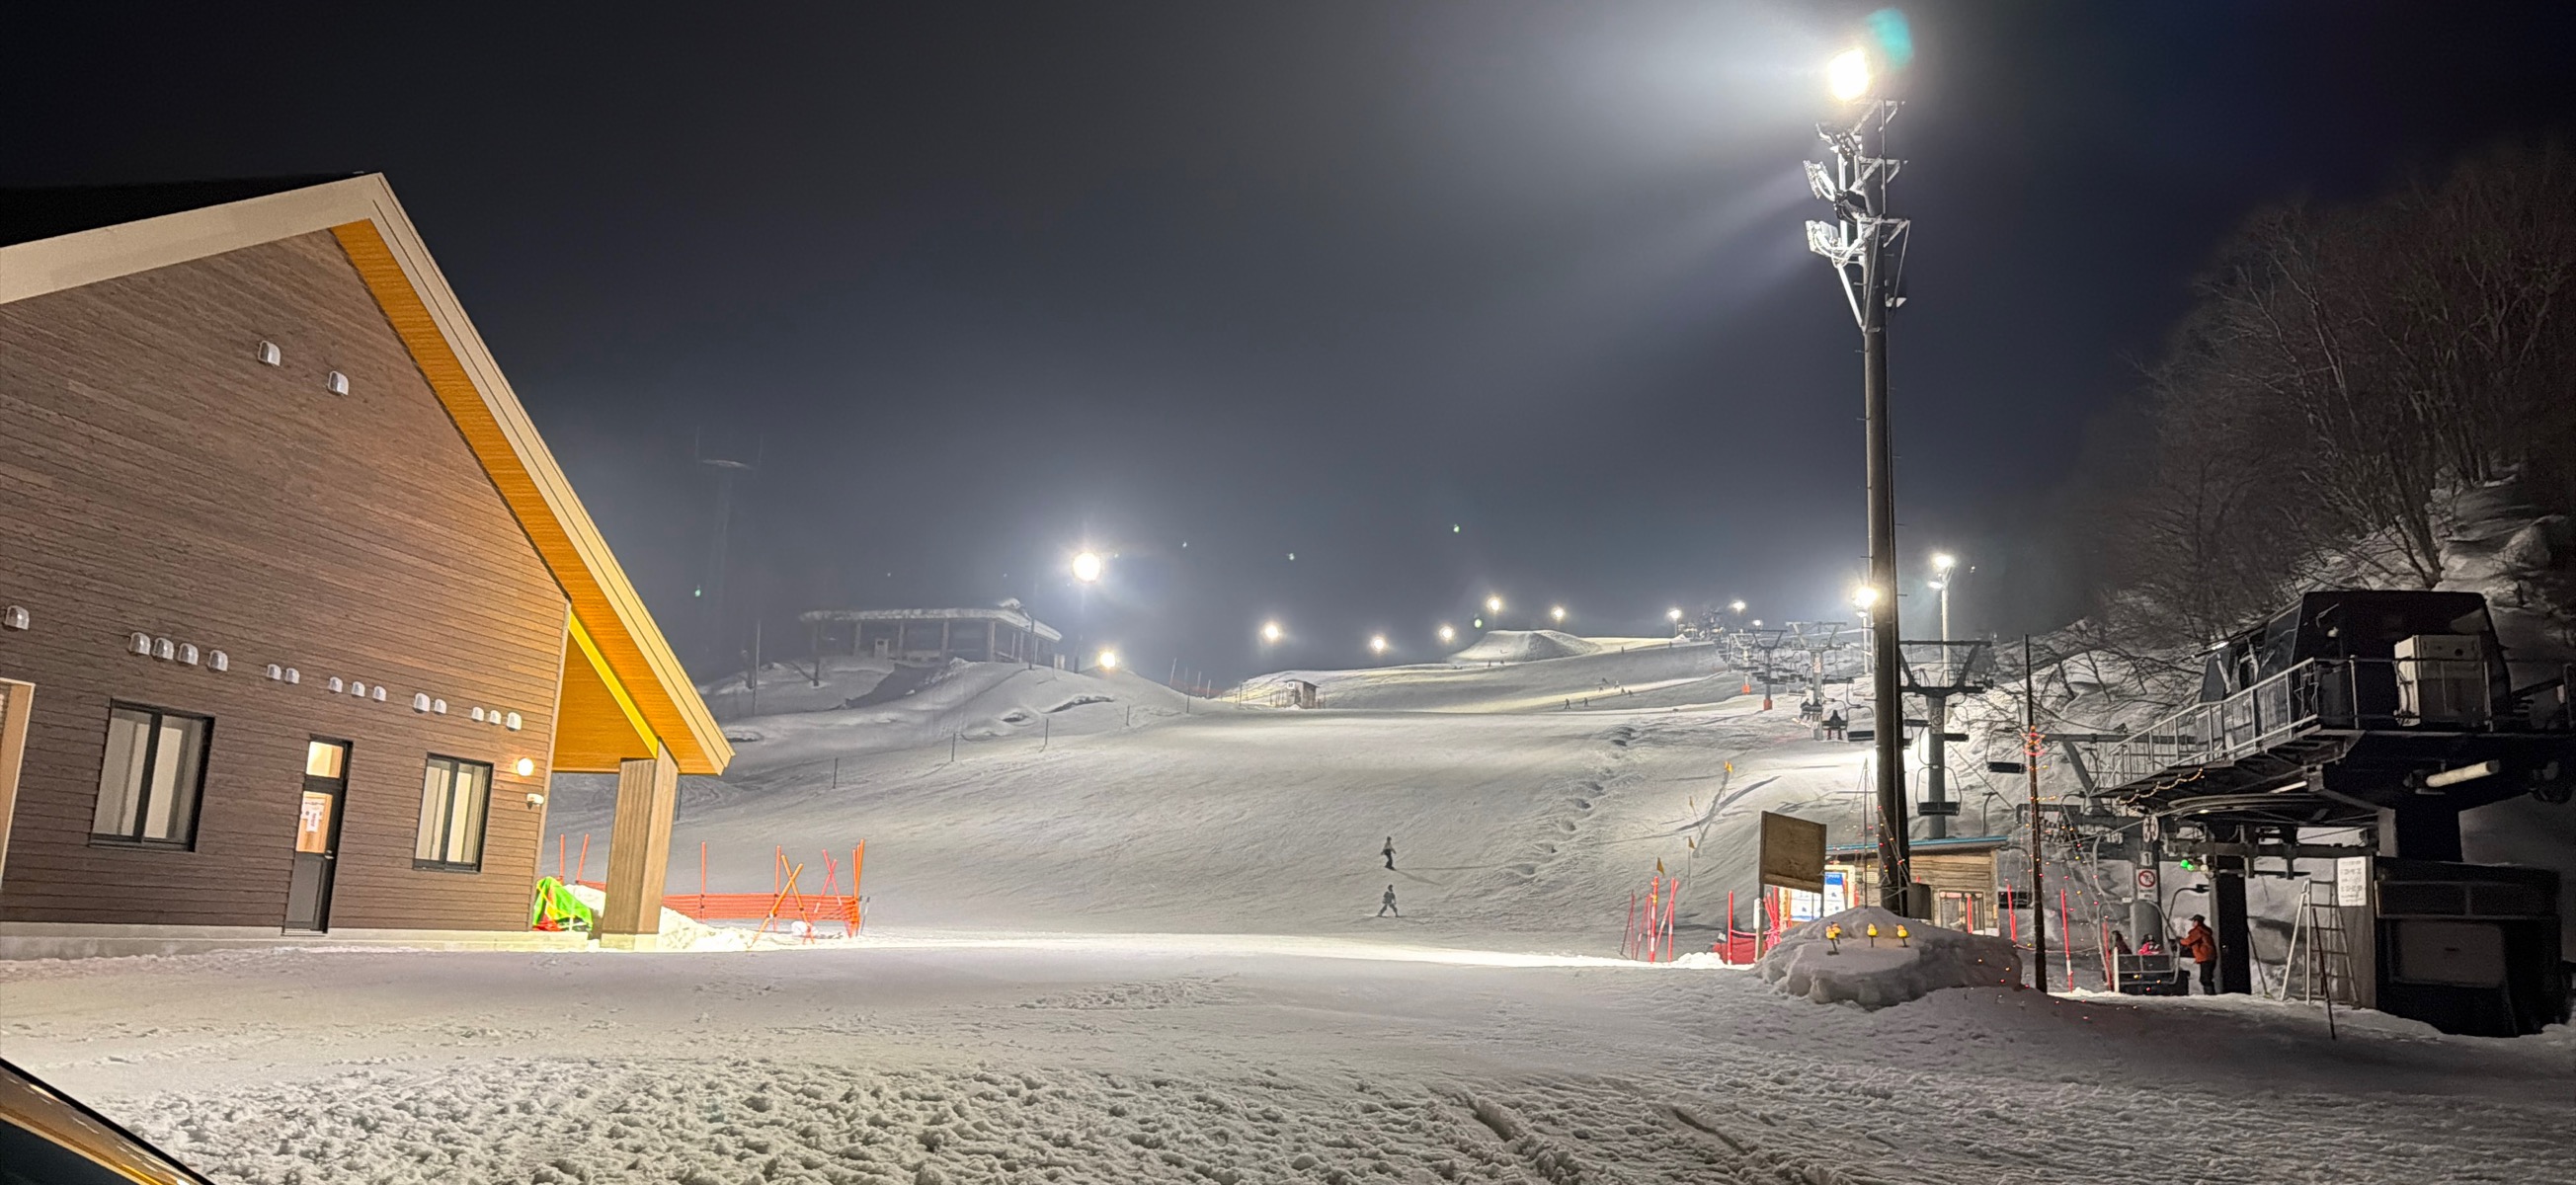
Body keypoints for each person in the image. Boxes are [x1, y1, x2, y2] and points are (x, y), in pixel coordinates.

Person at [2179, 914, 2217, 994]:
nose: (2192, 923)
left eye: (2193, 921)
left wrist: (2180, 941)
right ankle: (2210, 993)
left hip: (2205, 957)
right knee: (2207, 977)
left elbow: (2189, 940)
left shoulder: (2198, 931)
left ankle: (2210, 995)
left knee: (2205, 979)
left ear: (2197, 922)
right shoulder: (2204, 931)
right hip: (2209, 956)